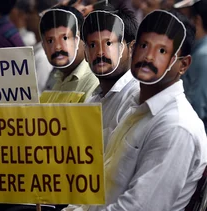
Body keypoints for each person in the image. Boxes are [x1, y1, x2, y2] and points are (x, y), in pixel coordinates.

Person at [65, 10, 207, 211]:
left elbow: (138, 208)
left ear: (183, 65)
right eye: (143, 46)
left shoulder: (176, 126)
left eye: (162, 51)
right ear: (132, 49)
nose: (148, 56)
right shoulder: (137, 108)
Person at [82, 5, 139, 148]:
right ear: (85, 54)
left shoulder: (137, 98)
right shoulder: (90, 102)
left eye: (109, 43)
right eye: (92, 45)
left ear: (132, 48)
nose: (100, 53)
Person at [42, 6, 99, 102]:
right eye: (50, 41)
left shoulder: (95, 81)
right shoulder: (59, 78)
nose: (57, 47)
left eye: (65, 38)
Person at [174, 0, 207, 132]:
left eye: (187, 20)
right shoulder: (198, 51)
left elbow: (198, 105)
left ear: (197, 21)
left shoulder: (202, 56)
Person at [26, 0, 58, 94]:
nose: (27, 17)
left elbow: (38, 95)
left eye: (31, 12)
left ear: (42, 17)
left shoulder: (44, 56)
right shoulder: (34, 48)